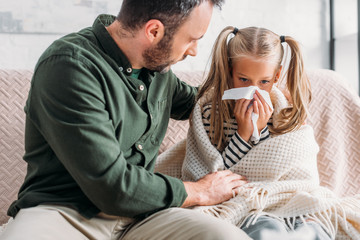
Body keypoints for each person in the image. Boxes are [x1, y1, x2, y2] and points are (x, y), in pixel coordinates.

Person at [1, 2, 251, 240]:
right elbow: (112, 186)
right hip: (64, 213)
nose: (194, 50)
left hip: (141, 216)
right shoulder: (69, 67)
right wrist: (200, 191)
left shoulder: (156, 68)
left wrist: (254, 91)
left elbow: (198, 104)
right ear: (154, 31)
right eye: (192, 39)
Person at [181, 26, 333, 240]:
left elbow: (296, 170)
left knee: (315, 228)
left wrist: (261, 130)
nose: (253, 91)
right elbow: (215, 177)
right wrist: (244, 134)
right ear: (230, 70)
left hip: (283, 197)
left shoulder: (286, 113)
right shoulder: (211, 113)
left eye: (264, 82)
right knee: (266, 229)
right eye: (244, 80)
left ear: (276, 76)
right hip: (244, 203)